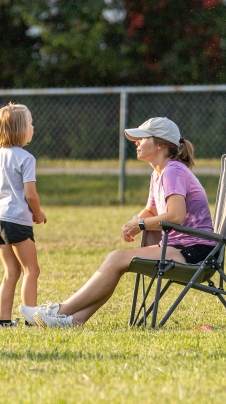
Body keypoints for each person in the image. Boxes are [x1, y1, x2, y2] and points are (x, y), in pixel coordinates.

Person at [30, 117, 215, 328]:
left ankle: (59, 311)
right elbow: (152, 210)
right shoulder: (159, 173)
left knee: (116, 257)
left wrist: (142, 225)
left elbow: (175, 216)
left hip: (196, 252)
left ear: (161, 144)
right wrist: (134, 222)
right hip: (182, 247)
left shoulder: (172, 171)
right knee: (117, 261)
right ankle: (75, 320)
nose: (136, 142)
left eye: (142, 138)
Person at [0, 103, 47, 328]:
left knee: (10, 271)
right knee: (32, 270)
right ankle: (31, 319)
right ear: (21, 130)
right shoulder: (26, 158)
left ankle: (3, 320)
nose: (33, 126)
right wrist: (38, 214)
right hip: (16, 221)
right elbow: (31, 194)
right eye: (30, 123)